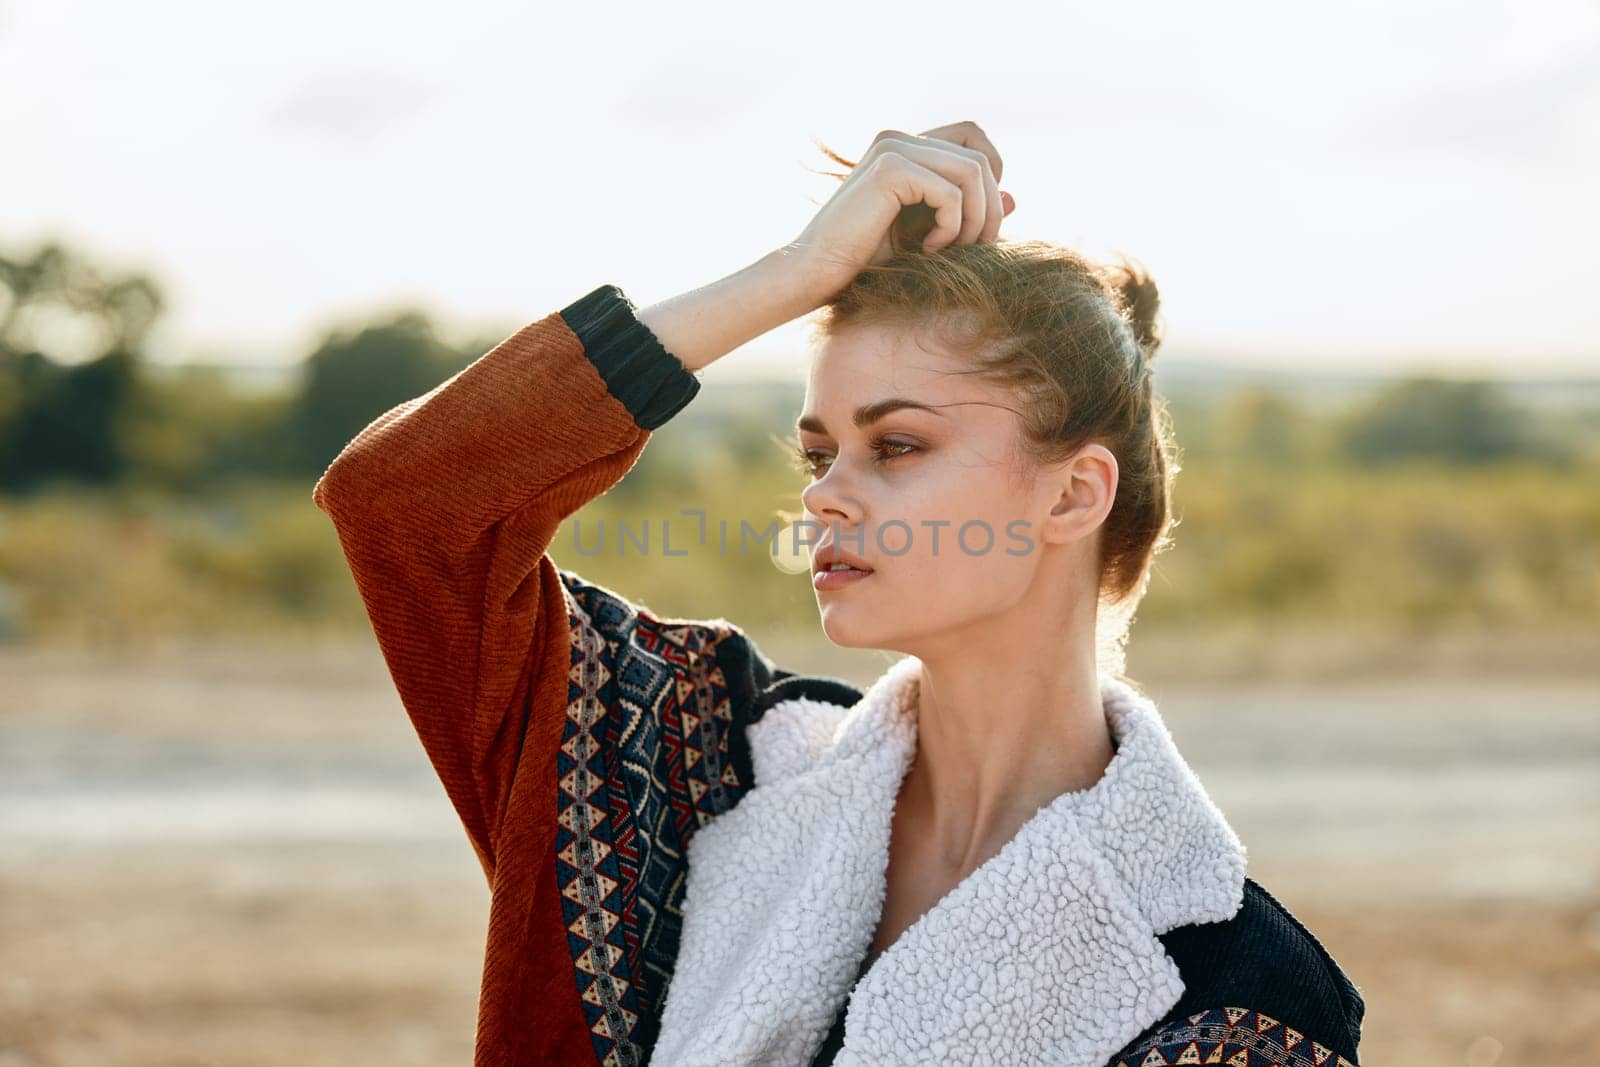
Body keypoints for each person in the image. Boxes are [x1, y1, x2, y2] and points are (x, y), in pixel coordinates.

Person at [313, 121, 1365, 1066]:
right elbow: (405, 506)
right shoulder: (693, 764)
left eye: (896, 445)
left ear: (1074, 491)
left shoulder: (1235, 994)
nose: (825, 497)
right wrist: (793, 272)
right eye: (818, 452)